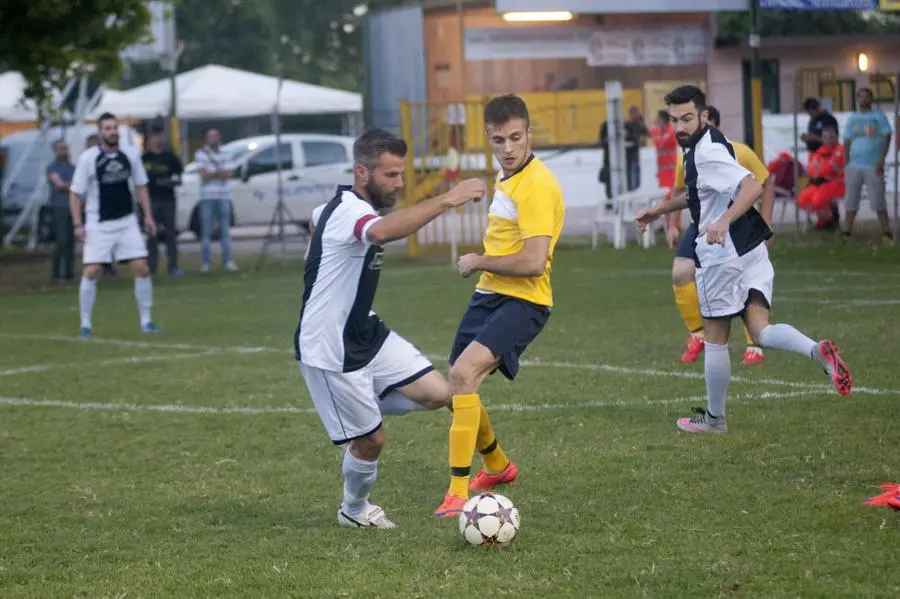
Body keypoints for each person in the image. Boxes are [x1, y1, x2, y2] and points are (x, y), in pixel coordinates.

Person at [294, 128, 486, 529]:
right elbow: (380, 232)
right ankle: (354, 510)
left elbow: (315, 221)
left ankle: (359, 407)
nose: (399, 184)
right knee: (372, 441)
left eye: (401, 175)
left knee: (440, 393)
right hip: (330, 346)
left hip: (364, 330)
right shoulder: (352, 212)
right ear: (362, 173)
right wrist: (448, 199)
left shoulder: (336, 207)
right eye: (390, 176)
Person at [636, 86, 851, 434]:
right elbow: (699, 193)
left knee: (715, 336)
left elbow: (751, 186)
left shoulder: (704, 152)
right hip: (752, 247)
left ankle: (715, 419)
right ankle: (816, 352)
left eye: (687, 118)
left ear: (704, 115)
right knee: (760, 330)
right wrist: (658, 210)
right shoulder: (711, 140)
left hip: (723, 254)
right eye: (674, 120)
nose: (680, 127)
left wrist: (722, 221)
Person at [434, 94, 565, 517]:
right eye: (498, 140)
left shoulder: (538, 185)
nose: (507, 148)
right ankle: (497, 465)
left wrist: (478, 260)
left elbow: (532, 261)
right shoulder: (507, 175)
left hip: (524, 300)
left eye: (515, 138)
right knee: (456, 389)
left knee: (462, 372)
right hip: (489, 296)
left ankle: (457, 493)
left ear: (529, 133)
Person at [668, 105, 775, 366]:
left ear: (710, 121)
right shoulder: (689, 155)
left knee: (740, 286)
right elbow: (681, 190)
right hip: (701, 224)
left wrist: (767, 224)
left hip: (734, 227)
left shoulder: (739, 152)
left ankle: (753, 344)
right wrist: (670, 222)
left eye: (691, 120)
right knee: (681, 272)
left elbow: (762, 184)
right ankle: (697, 334)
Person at [69, 112, 160, 338]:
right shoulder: (88, 159)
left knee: (141, 267)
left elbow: (141, 186)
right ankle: (85, 324)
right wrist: (77, 224)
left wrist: (147, 215)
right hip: (99, 223)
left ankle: (146, 321)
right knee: (92, 271)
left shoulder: (130, 155)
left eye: (114, 128)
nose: (111, 132)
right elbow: (75, 193)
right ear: (100, 133)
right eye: (107, 128)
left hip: (127, 221)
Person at [842, 88, 893, 241]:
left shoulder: (879, 117)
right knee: (851, 198)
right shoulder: (853, 118)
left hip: (873, 164)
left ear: (871, 99)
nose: (864, 100)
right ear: (858, 99)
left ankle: (885, 230)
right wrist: (846, 160)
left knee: (878, 198)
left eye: (867, 97)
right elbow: (847, 139)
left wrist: (882, 158)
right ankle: (847, 229)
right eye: (861, 97)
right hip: (855, 164)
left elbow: (887, 136)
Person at [195, 128, 238, 272]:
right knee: (206, 231)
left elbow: (229, 173)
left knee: (225, 231)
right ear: (206, 138)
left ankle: (227, 261)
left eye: (215, 136)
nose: (213, 138)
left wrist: (212, 173)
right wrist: (220, 173)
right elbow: (203, 174)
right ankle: (206, 262)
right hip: (207, 197)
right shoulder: (201, 154)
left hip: (223, 196)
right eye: (210, 136)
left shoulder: (227, 153)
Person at [143, 129, 184, 276]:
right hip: (151, 201)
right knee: (151, 235)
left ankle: (173, 266)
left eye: (160, 136)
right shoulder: (145, 158)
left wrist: (167, 182)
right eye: (155, 137)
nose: (158, 139)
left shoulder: (171, 158)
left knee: (170, 234)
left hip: (168, 200)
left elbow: (179, 179)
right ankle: (151, 267)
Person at [798, 126, 845, 222]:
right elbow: (811, 170)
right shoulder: (820, 151)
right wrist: (822, 170)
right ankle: (824, 220)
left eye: (831, 137)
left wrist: (821, 169)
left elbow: (830, 168)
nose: (828, 139)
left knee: (817, 199)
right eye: (826, 137)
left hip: (838, 184)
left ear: (836, 137)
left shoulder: (841, 150)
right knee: (802, 198)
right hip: (821, 184)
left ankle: (829, 220)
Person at [46, 139, 76, 283]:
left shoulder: (73, 167)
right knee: (61, 241)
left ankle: (69, 274)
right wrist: (71, 185)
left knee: (71, 242)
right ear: (55, 151)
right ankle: (56, 274)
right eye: (60, 149)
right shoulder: (52, 167)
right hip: (59, 208)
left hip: (72, 207)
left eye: (65, 148)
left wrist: (69, 185)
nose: (63, 151)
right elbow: (59, 185)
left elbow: (78, 184)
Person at [650, 110, 680, 237]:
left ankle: (674, 226)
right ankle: (667, 225)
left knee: (671, 200)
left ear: (663, 120)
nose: (656, 122)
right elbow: (653, 137)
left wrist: (656, 137)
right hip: (662, 174)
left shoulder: (670, 132)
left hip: (671, 172)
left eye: (658, 119)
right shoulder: (659, 132)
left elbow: (659, 142)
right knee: (665, 199)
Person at [625, 106, 650, 191]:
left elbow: (648, 134)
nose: (637, 115)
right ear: (631, 114)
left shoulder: (638, 125)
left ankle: (635, 189)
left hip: (636, 154)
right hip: (628, 155)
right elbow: (625, 138)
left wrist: (642, 122)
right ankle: (630, 189)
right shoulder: (627, 124)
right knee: (631, 177)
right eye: (636, 113)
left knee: (637, 180)